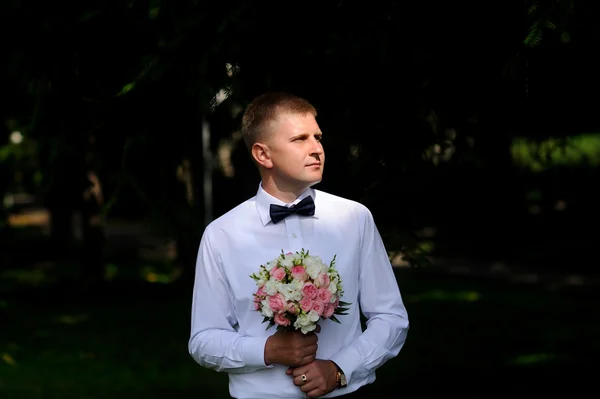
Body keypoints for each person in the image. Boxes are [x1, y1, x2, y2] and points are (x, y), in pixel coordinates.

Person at [189, 92, 409, 398]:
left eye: (317, 137)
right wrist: (266, 350)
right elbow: (203, 340)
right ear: (263, 155)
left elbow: (390, 318)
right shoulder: (222, 234)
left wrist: (340, 368)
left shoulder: (354, 218)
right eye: (300, 139)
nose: (317, 149)